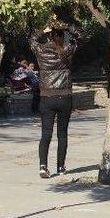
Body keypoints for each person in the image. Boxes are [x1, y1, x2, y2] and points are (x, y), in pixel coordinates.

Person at [30, 21, 82, 178]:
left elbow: (32, 40)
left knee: (46, 133)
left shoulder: (41, 51)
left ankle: (43, 166)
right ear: (63, 36)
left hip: (46, 96)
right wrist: (68, 27)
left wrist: (43, 30)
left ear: (50, 36)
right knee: (62, 134)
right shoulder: (67, 49)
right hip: (64, 96)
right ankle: (60, 167)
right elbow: (81, 37)